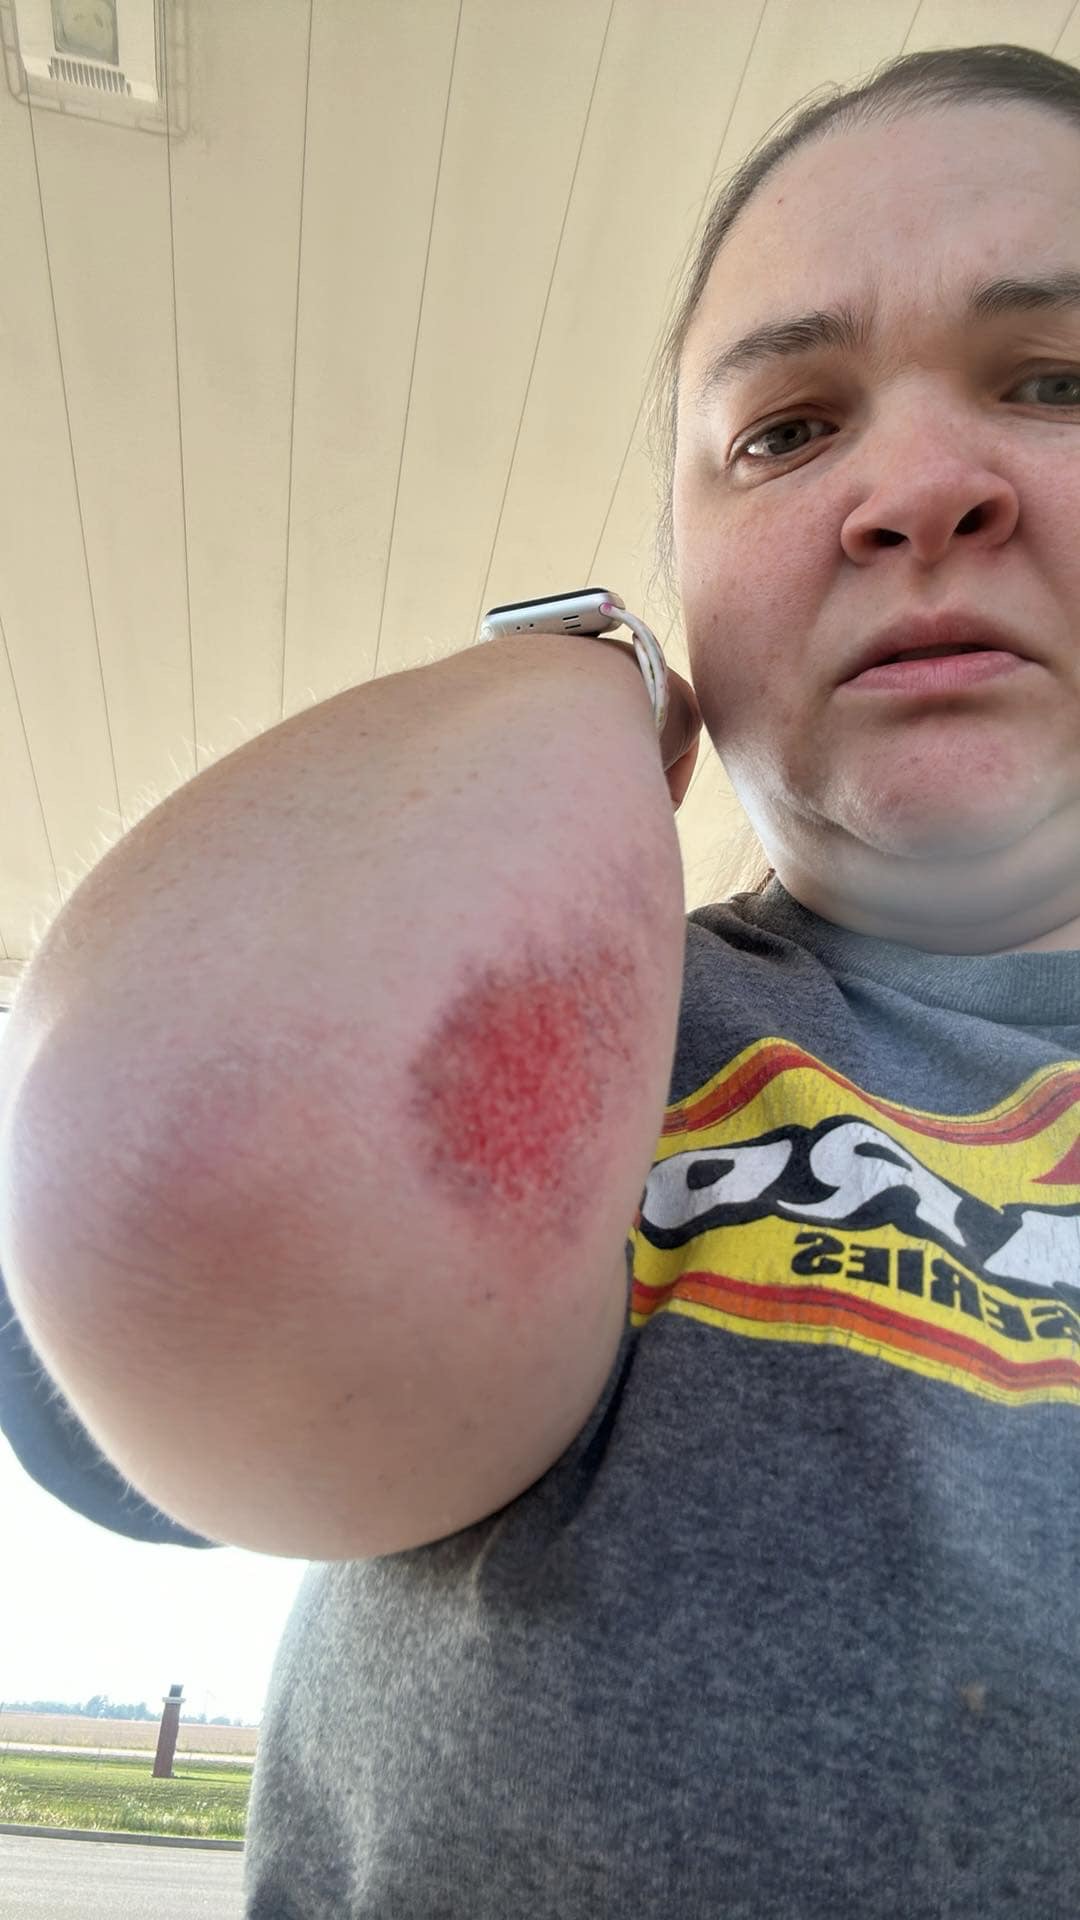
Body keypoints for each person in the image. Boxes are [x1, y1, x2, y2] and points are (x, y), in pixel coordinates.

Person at [4, 37, 1080, 1916]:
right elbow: (202, 1195)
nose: (913, 488)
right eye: (784, 431)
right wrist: (581, 678)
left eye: (1056, 379)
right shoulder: (621, 1025)